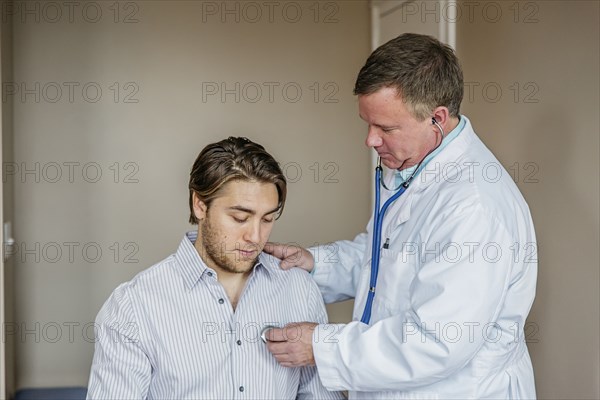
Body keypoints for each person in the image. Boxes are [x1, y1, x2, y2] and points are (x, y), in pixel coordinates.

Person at [264, 33, 538, 399]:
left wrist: (322, 345)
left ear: (436, 119)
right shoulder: (414, 168)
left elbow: (438, 340)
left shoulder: (475, 206)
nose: (371, 141)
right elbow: (391, 256)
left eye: (386, 128)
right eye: (368, 124)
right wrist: (317, 263)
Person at [86, 137, 343, 399]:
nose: (255, 236)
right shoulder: (133, 307)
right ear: (200, 205)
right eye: (239, 218)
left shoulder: (299, 288)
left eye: (267, 219)